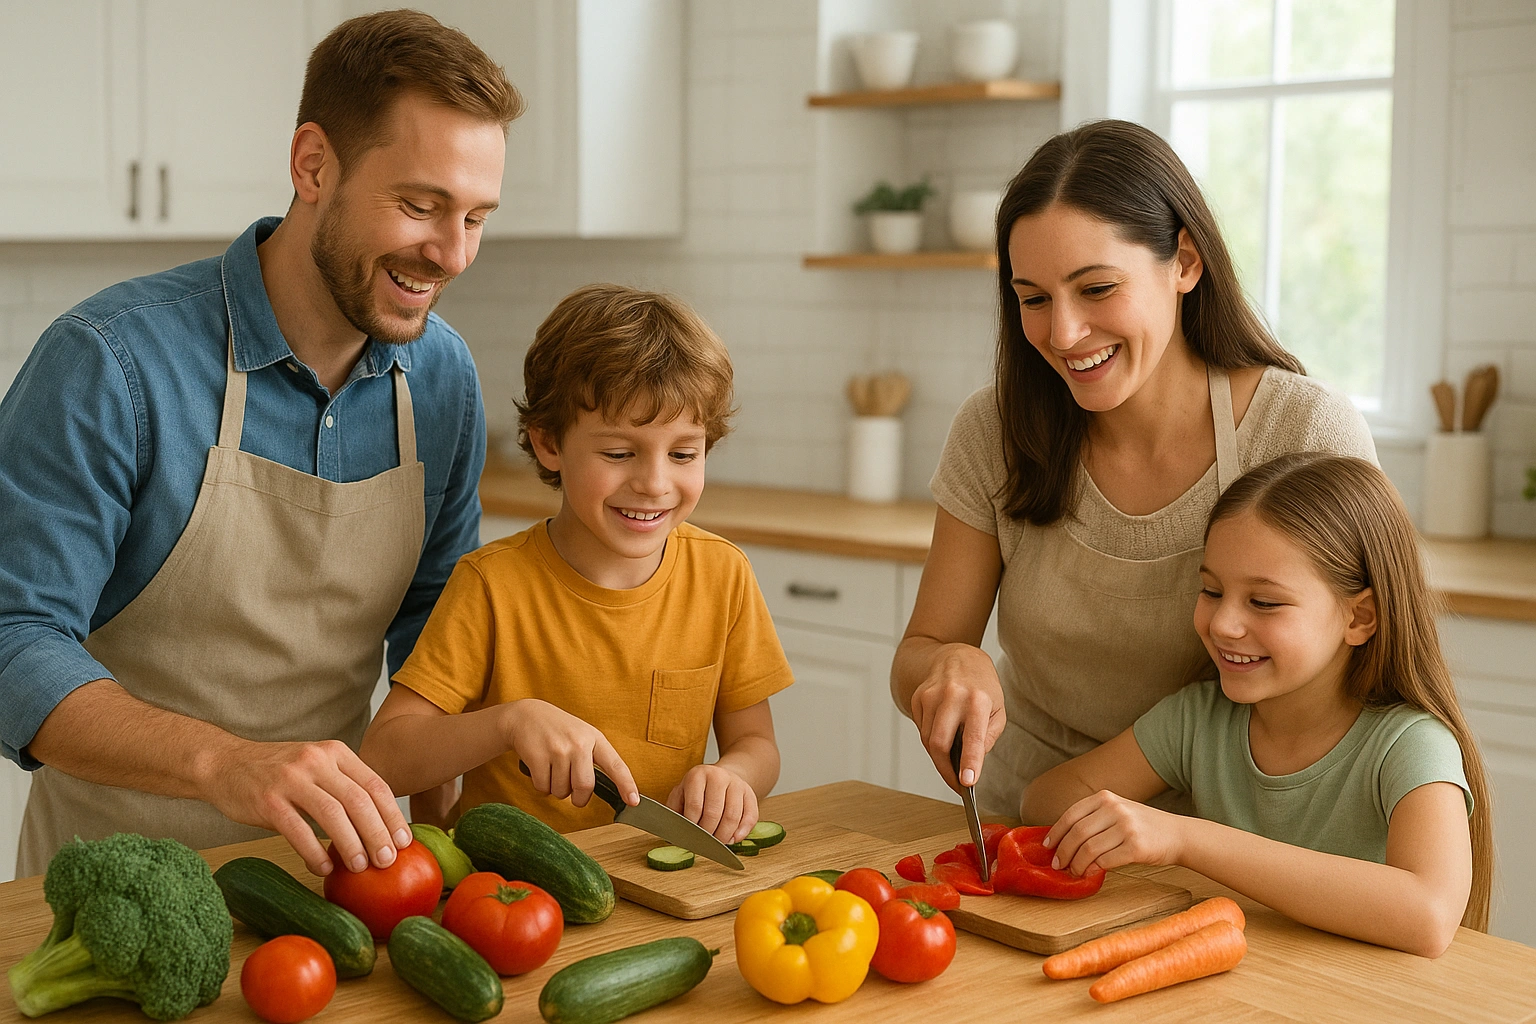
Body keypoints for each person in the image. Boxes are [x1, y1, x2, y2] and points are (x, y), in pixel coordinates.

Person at [0, 10, 523, 878]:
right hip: (115, 893)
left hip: (342, 886)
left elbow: (438, 627)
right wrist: (228, 763)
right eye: (421, 206)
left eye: (476, 216)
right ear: (312, 164)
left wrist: (453, 823)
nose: (453, 254)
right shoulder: (112, 362)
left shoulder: (442, 377)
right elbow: (14, 638)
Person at [892, 120, 1378, 819]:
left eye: (1096, 289)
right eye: (1032, 298)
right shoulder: (995, 430)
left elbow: (1364, 684)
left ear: (1184, 261)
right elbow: (923, 646)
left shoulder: (1303, 433)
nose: (1062, 334)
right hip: (1026, 823)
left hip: (1230, 841)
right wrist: (946, 666)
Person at [360, 284, 793, 840]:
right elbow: (384, 756)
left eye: (684, 453)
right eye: (619, 453)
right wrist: (508, 724)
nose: (655, 483)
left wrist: (733, 776)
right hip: (508, 887)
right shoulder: (492, 585)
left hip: (652, 872)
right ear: (548, 445)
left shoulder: (723, 575)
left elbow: (757, 746)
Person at [1021, 453, 1490, 958]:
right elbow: (1045, 800)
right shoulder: (1199, 720)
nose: (1223, 624)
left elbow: (1429, 916)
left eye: (1264, 602)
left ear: (1360, 617)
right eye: (1211, 590)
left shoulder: (1411, 745)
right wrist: (1125, 829)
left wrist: (1184, 839)